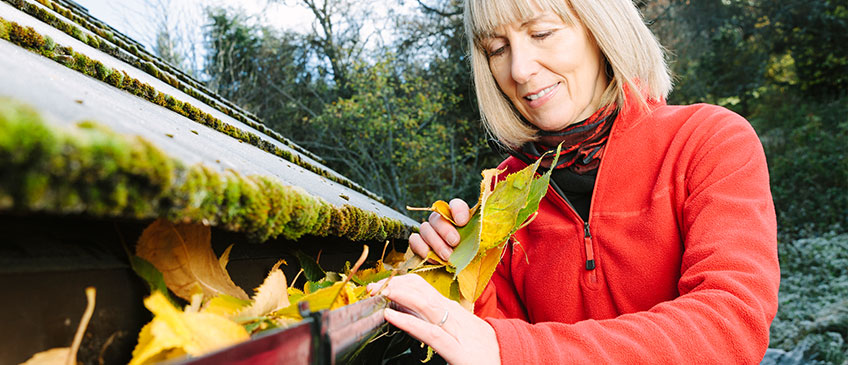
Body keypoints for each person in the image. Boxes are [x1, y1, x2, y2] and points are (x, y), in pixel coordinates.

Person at [367, 0, 780, 363]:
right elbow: (492, 334)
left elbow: (730, 324)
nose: (519, 69)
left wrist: (512, 352)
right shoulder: (501, 193)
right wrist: (456, 282)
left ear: (600, 29)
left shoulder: (709, 140)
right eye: (497, 49)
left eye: (542, 33)